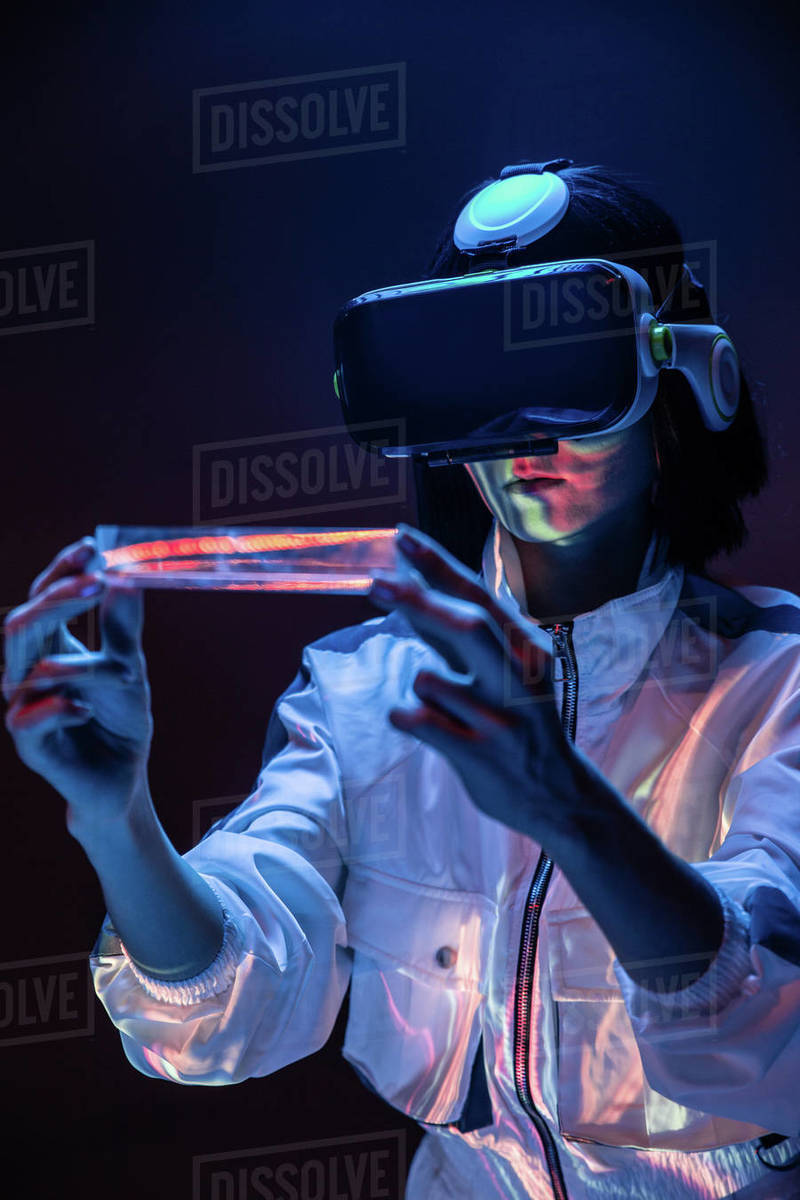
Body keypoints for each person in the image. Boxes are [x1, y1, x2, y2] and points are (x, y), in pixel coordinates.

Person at [5, 161, 800, 1200]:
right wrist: (117, 821)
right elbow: (224, 1005)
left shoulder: (775, 684)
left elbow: (765, 1038)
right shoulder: (360, 695)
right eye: (475, 380)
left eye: (571, 367)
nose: (525, 433)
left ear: (685, 380)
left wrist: (563, 802)